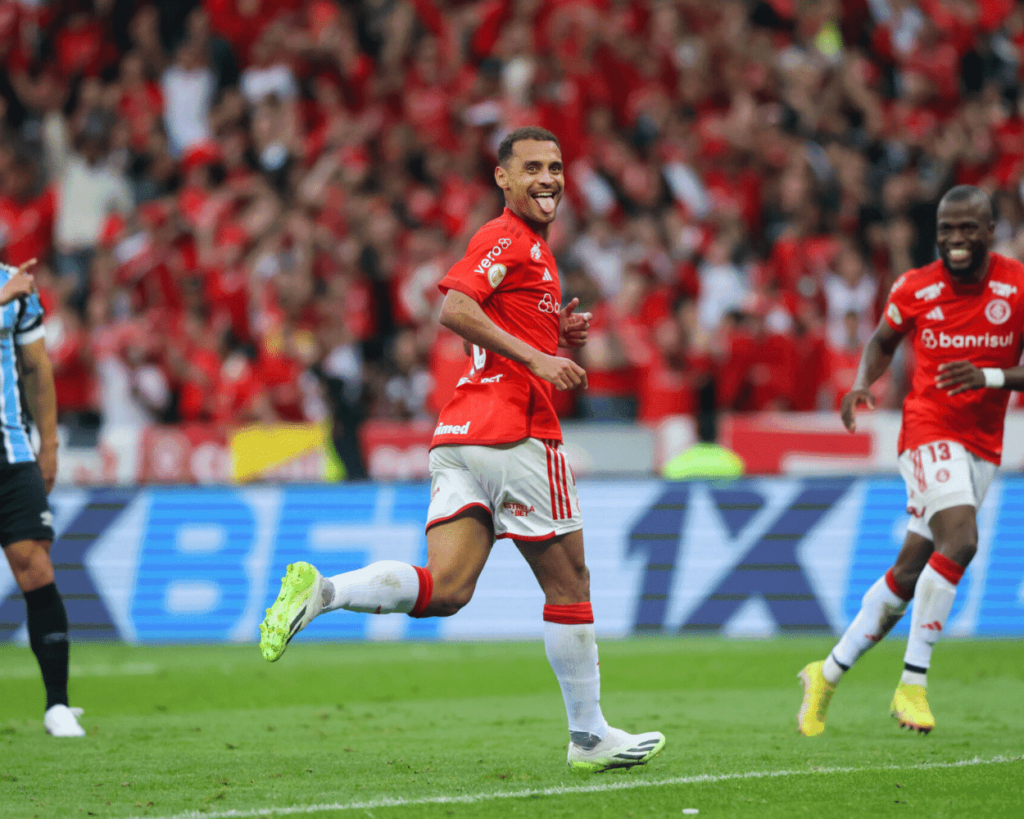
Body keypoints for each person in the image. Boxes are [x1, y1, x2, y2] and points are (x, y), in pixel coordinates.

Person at [260, 126, 666, 771]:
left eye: (556, 167)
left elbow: (494, 316)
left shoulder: (532, 251)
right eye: (531, 167)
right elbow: (453, 308)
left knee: (447, 590)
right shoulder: (505, 235)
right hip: (518, 431)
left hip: (459, 435)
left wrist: (554, 330)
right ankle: (588, 736)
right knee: (570, 582)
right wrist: (542, 356)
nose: (548, 178)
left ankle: (326, 591)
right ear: (502, 178)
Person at [797, 185, 1024, 736]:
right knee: (963, 540)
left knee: (908, 572)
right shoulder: (915, 287)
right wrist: (859, 384)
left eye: (968, 228)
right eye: (946, 229)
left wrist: (990, 377)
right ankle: (913, 684)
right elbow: (882, 340)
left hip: (983, 441)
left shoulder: (1016, 287)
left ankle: (824, 674)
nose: (955, 239)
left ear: (990, 231)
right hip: (926, 431)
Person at [0, 259, 84, 737]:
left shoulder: (16, 285)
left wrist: (48, 445)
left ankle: (57, 704)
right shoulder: (8, 290)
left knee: (35, 563)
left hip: (10, 452)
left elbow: (35, 366)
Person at [662, 380, 745, 480]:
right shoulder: (733, 463)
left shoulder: (677, 464)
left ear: (696, 431)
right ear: (718, 433)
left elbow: (670, 476)